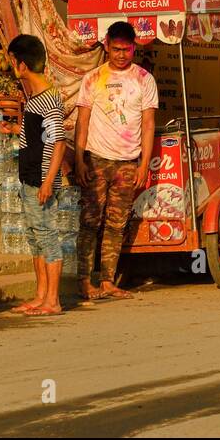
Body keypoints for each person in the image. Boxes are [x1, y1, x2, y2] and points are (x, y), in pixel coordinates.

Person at [74, 21, 158, 300]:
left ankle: (108, 281)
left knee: (116, 223)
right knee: (89, 221)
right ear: (107, 45)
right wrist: (79, 159)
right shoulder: (92, 78)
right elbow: (82, 122)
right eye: (116, 49)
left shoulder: (145, 79)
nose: (121, 55)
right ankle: (85, 281)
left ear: (134, 47)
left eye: (127, 49)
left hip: (127, 162)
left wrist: (144, 163)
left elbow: (148, 125)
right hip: (96, 159)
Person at [8, 35, 67, 316]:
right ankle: (41, 295)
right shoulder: (35, 98)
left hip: (40, 181)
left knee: (47, 237)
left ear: (21, 64)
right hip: (30, 178)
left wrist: (47, 181)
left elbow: (59, 141)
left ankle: (53, 300)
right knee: (35, 237)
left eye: (12, 61)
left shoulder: (48, 100)